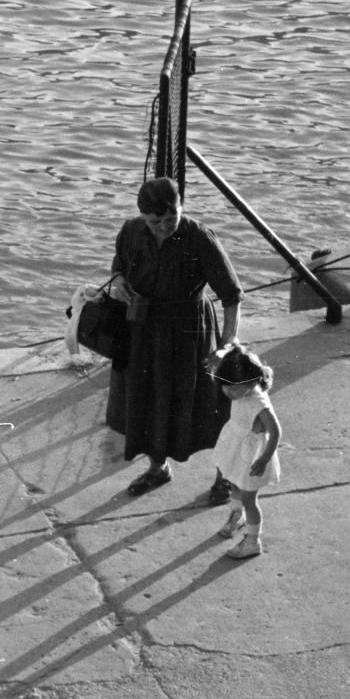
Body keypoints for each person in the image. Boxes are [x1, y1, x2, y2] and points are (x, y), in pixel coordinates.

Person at [105, 176, 243, 501]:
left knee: (206, 405)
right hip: (145, 330)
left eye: (172, 218)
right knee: (149, 398)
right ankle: (158, 467)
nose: (165, 226)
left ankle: (224, 477)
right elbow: (118, 266)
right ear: (142, 217)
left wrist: (226, 345)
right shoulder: (131, 231)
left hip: (190, 331)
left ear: (181, 207)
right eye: (156, 222)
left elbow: (232, 295)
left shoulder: (199, 237)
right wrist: (118, 280)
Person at [210, 345, 281, 559]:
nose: (229, 392)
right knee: (233, 482)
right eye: (225, 387)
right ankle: (237, 515)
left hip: (252, 457)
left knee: (250, 500)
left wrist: (264, 459)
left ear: (251, 382)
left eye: (233, 388)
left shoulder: (259, 404)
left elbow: (276, 432)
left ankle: (252, 540)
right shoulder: (241, 392)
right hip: (236, 449)